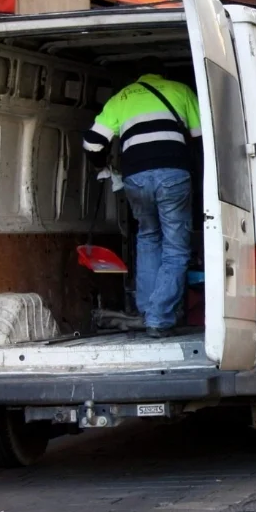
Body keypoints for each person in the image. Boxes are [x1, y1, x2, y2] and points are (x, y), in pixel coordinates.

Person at [83, 57, 201, 338]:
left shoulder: (120, 98)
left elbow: (92, 143)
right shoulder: (180, 90)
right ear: (163, 74)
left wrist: (102, 165)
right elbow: (199, 137)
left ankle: (147, 310)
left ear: (137, 78)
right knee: (176, 248)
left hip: (135, 178)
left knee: (148, 238)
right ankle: (159, 318)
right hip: (173, 175)